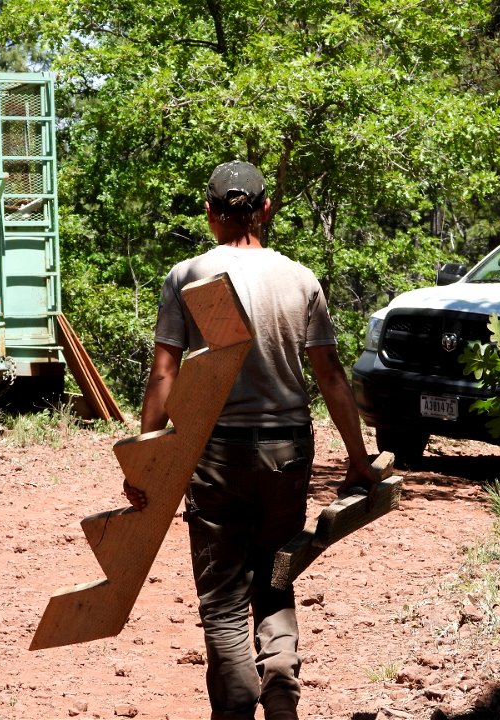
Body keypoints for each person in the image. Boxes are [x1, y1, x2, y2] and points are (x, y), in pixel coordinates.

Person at [124, 160, 382, 720]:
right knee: (276, 579)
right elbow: (331, 376)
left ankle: (237, 707)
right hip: (287, 455)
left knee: (221, 603)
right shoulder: (300, 278)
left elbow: (163, 373)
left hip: (213, 456)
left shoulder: (187, 276)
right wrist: (358, 459)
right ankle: (282, 691)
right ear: (266, 210)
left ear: (209, 213)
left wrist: (146, 459)